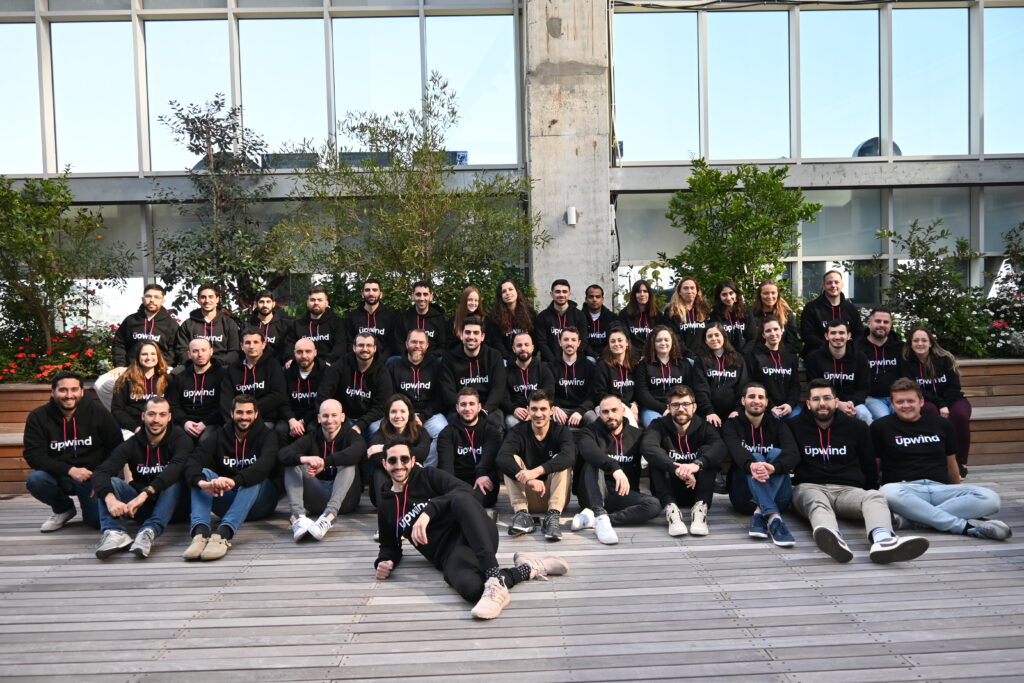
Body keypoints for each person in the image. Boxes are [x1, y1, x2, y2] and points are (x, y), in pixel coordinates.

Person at [374, 436, 569, 620]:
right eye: (392, 461)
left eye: (404, 459)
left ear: (412, 460)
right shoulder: (386, 504)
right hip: (449, 554)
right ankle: (529, 568)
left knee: (461, 499)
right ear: (384, 464)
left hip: (475, 531)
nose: (399, 465)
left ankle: (494, 577)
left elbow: (469, 493)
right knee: (472, 589)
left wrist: (429, 510)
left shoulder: (428, 475)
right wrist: (385, 561)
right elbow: (389, 545)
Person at [789, 380, 930, 564]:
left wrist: (869, 487)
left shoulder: (856, 427)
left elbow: (869, 464)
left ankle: (883, 541)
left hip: (848, 491)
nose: (822, 403)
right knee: (816, 502)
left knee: (874, 496)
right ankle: (831, 537)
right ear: (808, 404)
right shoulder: (794, 426)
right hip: (810, 487)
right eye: (816, 399)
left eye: (827, 398)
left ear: (836, 401)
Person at [874, 378, 1010, 541]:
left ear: (921, 401)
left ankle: (912, 521)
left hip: (940, 489)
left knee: (991, 498)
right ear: (892, 404)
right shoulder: (880, 427)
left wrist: (957, 491)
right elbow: (875, 466)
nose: (906, 405)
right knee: (887, 492)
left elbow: (951, 465)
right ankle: (964, 527)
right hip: (904, 489)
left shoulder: (941, 424)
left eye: (911, 400)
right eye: (900, 402)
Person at [183, 394, 280, 561]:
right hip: (229, 500)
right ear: (232, 413)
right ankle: (201, 533)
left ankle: (223, 534)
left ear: (256, 414)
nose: (244, 417)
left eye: (249, 412)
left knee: (254, 476)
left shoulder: (267, 435)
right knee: (204, 473)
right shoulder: (220, 435)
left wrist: (235, 481)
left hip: (261, 502)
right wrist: (201, 483)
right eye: (240, 412)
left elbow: (265, 465)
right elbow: (192, 461)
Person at [91, 397, 191, 559]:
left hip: (175, 508)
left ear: (169, 417)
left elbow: (176, 468)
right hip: (141, 508)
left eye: (162, 415)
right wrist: (110, 498)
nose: (156, 420)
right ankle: (115, 532)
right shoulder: (132, 443)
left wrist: (145, 493)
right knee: (112, 482)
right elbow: (101, 471)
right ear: (143, 416)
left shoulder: (181, 439)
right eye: (151, 414)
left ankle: (149, 531)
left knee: (174, 479)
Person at [23, 371, 122, 532]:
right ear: (53, 392)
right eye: (63, 390)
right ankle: (63, 509)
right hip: (58, 476)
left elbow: (117, 448)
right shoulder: (38, 416)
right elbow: (33, 455)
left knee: (97, 521)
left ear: (82, 391)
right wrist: (70, 470)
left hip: (92, 478)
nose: (69, 395)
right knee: (36, 480)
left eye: (74, 389)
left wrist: (103, 478)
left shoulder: (98, 412)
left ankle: (92, 506)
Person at [573, 395, 660, 544]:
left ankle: (599, 520)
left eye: (614, 410)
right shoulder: (589, 432)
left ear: (623, 411)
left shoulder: (637, 435)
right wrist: (615, 468)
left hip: (620, 493)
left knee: (654, 505)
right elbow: (588, 451)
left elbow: (654, 452)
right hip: (591, 491)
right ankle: (599, 513)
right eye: (605, 412)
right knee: (593, 462)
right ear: (600, 414)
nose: (610, 415)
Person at [641, 385, 725, 537]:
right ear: (669, 407)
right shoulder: (658, 425)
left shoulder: (704, 426)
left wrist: (696, 465)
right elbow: (648, 448)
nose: (681, 409)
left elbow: (719, 447)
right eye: (675, 405)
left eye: (686, 404)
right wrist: (676, 468)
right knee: (657, 456)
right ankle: (672, 512)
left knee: (708, 453)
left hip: (697, 490)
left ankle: (700, 511)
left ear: (694, 407)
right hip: (667, 491)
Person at [722, 383, 798, 547]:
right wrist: (752, 466)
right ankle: (773, 517)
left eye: (760, 397)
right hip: (743, 498)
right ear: (743, 401)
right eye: (751, 396)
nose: (756, 401)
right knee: (755, 456)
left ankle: (760, 513)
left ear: (766, 402)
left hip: (780, 498)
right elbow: (736, 451)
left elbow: (793, 453)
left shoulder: (778, 424)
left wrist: (774, 468)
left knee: (777, 454)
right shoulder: (732, 424)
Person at [278, 398, 365, 541]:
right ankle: (298, 518)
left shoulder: (352, 436)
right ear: (318, 418)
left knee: (349, 463)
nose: (329, 420)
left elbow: (358, 451)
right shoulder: (311, 438)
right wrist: (304, 459)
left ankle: (329, 517)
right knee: (293, 462)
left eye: (334, 415)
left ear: (342, 417)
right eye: (325, 416)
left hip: (346, 501)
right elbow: (282, 454)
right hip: (316, 499)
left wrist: (324, 463)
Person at [496, 390, 575, 540]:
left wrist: (536, 472)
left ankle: (552, 518)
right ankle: (522, 515)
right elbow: (501, 458)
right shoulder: (518, 431)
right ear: (528, 410)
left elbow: (570, 456)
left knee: (562, 459)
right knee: (511, 460)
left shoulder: (561, 431)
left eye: (543, 409)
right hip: (527, 497)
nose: (538, 414)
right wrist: (529, 479)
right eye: (534, 409)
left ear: (552, 411)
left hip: (554, 496)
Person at [901, 327, 973, 477]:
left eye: (924, 340)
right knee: (929, 412)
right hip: (926, 400)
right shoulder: (907, 363)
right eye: (916, 340)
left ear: (931, 343)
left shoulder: (945, 360)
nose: (920, 343)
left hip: (953, 398)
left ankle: (961, 463)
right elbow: (917, 389)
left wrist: (946, 404)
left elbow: (955, 387)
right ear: (910, 343)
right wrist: (941, 405)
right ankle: (937, 460)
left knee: (959, 415)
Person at [99, 282, 179, 409]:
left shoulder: (171, 324)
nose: (152, 300)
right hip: (131, 368)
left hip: (159, 369)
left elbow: (174, 349)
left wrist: (162, 365)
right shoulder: (131, 321)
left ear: (163, 300)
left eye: (157, 297)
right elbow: (119, 343)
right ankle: (118, 416)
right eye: (148, 296)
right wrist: (120, 365)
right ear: (143, 299)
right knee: (101, 384)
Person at [436, 387, 503, 509]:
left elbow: (487, 461)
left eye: (472, 404)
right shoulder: (446, 433)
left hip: (482, 479)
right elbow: (446, 467)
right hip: (456, 481)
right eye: (463, 404)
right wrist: (454, 487)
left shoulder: (491, 431)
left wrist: (481, 474)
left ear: (479, 407)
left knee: (474, 498)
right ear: (457, 408)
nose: (467, 408)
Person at [634, 325, 711, 428]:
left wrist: (677, 407)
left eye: (667, 340)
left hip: (680, 406)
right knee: (658, 427)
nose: (663, 343)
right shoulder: (643, 365)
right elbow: (642, 393)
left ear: (672, 342)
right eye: (658, 340)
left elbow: (689, 389)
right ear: (653, 343)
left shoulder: (683, 363)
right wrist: (663, 409)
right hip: (652, 408)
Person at [390, 328, 447, 465]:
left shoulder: (436, 366)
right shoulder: (394, 366)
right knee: (376, 428)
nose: (417, 346)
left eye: (421, 342)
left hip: (428, 414)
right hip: (401, 415)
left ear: (427, 345)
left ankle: (427, 471)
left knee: (442, 430)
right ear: (406, 344)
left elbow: (440, 398)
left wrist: (422, 416)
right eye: (414, 342)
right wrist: (407, 415)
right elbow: (391, 396)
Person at [318, 332, 393, 435]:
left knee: (375, 429)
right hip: (343, 418)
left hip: (369, 420)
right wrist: (337, 418)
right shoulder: (340, 366)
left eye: (369, 345)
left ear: (375, 348)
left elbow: (381, 406)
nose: (365, 349)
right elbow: (324, 394)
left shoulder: (382, 372)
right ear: (354, 348)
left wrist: (360, 425)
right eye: (361, 345)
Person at [366, 394, 432, 507]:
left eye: (402, 411)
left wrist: (384, 448)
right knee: (379, 470)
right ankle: (386, 508)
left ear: (409, 414)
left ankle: (413, 504)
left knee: (419, 468)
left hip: (410, 483)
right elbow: (375, 457)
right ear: (387, 415)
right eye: (393, 412)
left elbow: (422, 453)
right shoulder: (380, 433)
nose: (398, 416)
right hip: (386, 484)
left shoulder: (420, 432)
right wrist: (409, 460)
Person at [441, 316, 506, 430]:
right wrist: (465, 409)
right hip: (460, 409)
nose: (471, 336)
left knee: (496, 422)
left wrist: (484, 410)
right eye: (467, 332)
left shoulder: (494, 356)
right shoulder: (449, 357)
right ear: (461, 335)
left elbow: (498, 389)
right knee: (452, 422)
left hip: (486, 408)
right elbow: (447, 390)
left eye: (476, 333)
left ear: (482, 337)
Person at [805, 320, 873, 424]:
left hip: (852, 403)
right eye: (833, 333)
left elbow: (864, 388)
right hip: (824, 402)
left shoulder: (860, 358)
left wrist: (851, 403)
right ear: (826, 336)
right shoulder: (814, 358)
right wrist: (837, 403)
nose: (837, 337)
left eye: (841, 333)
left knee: (864, 415)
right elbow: (814, 387)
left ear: (849, 335)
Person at [220, 327, 288, 426]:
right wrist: (235, 418)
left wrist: (250, 411)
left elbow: (278, 395)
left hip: (265, 420)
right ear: (242, 346)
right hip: (237, 420)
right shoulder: (232, 369)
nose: (251, 346)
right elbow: (226, 399)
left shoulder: (273, 365)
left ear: (263, 345)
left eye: (256, 342)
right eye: (247, 343)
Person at [168, 337, 224, 444]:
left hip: (213, 422)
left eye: (204, 350)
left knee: (206, 441)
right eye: (195, 351)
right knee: (180, 441)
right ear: (189, 354)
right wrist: (185, 422)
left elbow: (224, 405)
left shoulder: (223, 376)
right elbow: (173, 405)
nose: (200, 355)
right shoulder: (179, 378)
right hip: (186, 423)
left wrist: (205, 423)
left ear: (211, 351)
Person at [693, 323, 749, 429]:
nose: (714, 338)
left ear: (723, 336)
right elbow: (700, 388)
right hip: (708, 414)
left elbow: (743, 387)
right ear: (705, 340)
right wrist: (709, 411)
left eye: (717, 335)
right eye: (709, 336)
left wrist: (737, 410)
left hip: (733, 413)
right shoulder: (701, 360)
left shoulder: (738, 358)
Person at [745, 315, 801, 419]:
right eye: (768, 331)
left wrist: (790, 404)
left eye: (776, 329)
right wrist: (770, 406)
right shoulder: (754, 356)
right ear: (763, 334)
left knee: (797, 421)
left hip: (788, 406)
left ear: (782, 331)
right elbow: (752, 384)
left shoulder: (790, 357)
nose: (773, 334)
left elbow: (795, 386)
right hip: (765, 407)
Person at [800, 270, 863, 359]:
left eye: (836, 282)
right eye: (829, 283)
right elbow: (807, 334)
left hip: (847, 355)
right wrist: (830, 348)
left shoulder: (851, 309)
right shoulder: (812, 308)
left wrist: (847, 349)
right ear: (824, 286)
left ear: (842, 285)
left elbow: (859, 334)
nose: (833, 286)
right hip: (818, 355)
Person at [111, 341, 169, 437]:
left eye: (153, 354)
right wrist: (135, 428)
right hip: (132, 428)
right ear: (138, 357)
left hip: (160, 426)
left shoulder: (167, 380)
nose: (149, 357)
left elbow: (172, 407)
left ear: (158, 357)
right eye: (144, 354)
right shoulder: (125, 379)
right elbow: (117, 410)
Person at [855, 307, 903, 421]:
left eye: (886, 322)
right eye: (878, 321)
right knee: (885, 419)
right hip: (871, 398)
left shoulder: (900, 347)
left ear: (891, 325)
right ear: (869, 323)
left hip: (897, 397)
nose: (882, 325)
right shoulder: (857, 348)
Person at [175, 284, 241, 367]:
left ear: (217, 299)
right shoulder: (187, 325)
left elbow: (234, 352)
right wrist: (196, 365)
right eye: (203, 297)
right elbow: (182, 350)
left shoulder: (229, 323)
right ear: (198, 300)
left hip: (222, 367)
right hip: (194, 367)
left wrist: (216, 364)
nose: (207, 300)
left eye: (210, 297)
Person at [501, 331, 555, 429]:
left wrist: (534, 410)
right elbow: (503, 396)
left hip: (539, 410)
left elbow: (549, 392)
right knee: (511, 421)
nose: (523, 348)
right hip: (517, 413)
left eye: (526, 345)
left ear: (532, 348)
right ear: (513, 349)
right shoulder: (505, 371)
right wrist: (513, 409)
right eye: (519, 345)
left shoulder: (543, 369)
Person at [588, 326, 639, 426]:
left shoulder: (634, 365)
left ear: (627, 343)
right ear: (609, 345)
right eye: (613, 341)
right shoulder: (602, 365)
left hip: (630, 406)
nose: (616, 344)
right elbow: (600, 394)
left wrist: (635, 404)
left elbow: (640, 389)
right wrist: (627, 405)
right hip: (607, 406)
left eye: (620, 340)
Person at [280, 337, 328, 442]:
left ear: (315, 352)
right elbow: (282, 401)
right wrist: (291, 420)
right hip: (292, 416)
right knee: (280, 429)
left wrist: (303, 421)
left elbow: (322, 401)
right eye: (299, 352)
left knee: (314, 429)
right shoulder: (285, 373)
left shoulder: (326, 372)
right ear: (294, 353)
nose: (304, 356)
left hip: (315, 416)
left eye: (308, 351)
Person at [285, 285, 347, 364]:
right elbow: (289, 345)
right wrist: (290, 358)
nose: (316, 303)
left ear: (326, 303)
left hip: (330, 367)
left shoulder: (337, 323)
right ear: (307, 302)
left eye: (320, 300)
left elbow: (340, 346)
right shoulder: (297, 325)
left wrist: (329, 361)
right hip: (303, 366)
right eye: (312, 300)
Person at [345, 278, 402, 361]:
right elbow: (349, 342)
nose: (371, 293)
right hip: (359, 359)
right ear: (362, 294)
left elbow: (392, 344)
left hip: (383, 361)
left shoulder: (390, 317)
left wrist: (381, 359)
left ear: (380, 294)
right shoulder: (353, 316)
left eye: (375, 290)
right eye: (367, 290)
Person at [549, 327, 594, 427]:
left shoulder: (589, 366)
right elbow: (548, 392)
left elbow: (592, 395)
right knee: (549, 421)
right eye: (566, 339)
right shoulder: (551, 366)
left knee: (593, 419)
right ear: (560, 342)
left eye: (573, 340)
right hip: (559, 409)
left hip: (582, 410)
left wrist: (580, 411)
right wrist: (554, 406)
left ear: (579, 343)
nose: (569, 343)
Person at [535, 279, 589, 363]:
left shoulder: (579, 315)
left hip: (574, 360)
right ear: (551, 294)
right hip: (550, 362)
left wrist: (572, 358)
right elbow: (541, 343)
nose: (561, 295)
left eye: (564, 292)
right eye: (557, 292)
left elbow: (583, 340)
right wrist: (554, 361)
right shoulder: (543, 317)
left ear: (569, 294)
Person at [487, 279, 539, 363]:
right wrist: (509, 358)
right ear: (500, 296)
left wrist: (528, 355)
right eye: (504, 291)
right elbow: (497, 342)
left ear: (517, 292)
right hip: (506, 361)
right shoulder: (495, 317)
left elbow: (535, 338)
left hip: (528, 358)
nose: (507, 293)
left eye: (510, 289)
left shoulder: (530, 313)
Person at [400, 280, 448, 356]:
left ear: (431, 297)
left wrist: (428, 357)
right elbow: (399, 344)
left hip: (432, 360)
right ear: (413, 296)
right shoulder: (405, 317)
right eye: (418, 294)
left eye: (425, 294)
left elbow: (443, 346)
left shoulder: (439, 319)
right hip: (409, 359)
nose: (422, 298)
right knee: (393, 360)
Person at [664, 275, 710, 354]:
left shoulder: (704, 310)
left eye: (692, 288)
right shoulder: (671, 311)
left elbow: (709, 334)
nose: (689, 291)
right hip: (682, 358)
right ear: (679, 292)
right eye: (685, 288)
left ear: (697, 291)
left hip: (704, 358)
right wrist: (688, 355)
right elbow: (674, 337)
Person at [751, 280, 799, 354]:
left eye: (773, 293)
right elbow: (751, 340)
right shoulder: (752, 315)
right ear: (760, 295)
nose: (770, 296)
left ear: (778, 294)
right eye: (766, 293)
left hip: (783, 356)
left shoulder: (787, 314)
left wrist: (781, 355)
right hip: (758, 356)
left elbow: (791, 340)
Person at [617, 279, 664, 351]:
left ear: (649, 294)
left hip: (653, 354)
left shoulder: (658, 315)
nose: (642, 294)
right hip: (631, 355)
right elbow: (623, 338)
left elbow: (661, 337)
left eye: (645, 291)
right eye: (638, 292)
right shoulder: (624, 314)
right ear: (634, 295)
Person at [710, 279, 755, 352]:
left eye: (731, 293)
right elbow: (717, 340)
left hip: (746, 356)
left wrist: (743, 354)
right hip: (726, 356)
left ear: (736, 294)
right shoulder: (714, 315)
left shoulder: (746, 312)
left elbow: (752, 338)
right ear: (719, 297)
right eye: (724, 294)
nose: (728, 297)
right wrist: (732, 355)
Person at [248, 290, 292, 362]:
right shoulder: (248, 325)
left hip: (277, 367)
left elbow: (286, 350)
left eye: (268, 302)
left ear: (273, 304)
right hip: (254, 366)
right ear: (256, 304)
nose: (265, 305)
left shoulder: (284, 326)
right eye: (261, 302)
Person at [581, 283, 619, 358]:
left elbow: (615, 339)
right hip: (585, 357)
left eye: (598, 297)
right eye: (591, 297)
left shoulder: (612, 318)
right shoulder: (579, 317)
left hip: (608, 356)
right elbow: (580, 341)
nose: (594, 299)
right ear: (586, 299)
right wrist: (594, 356)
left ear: (602, 299)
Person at [448, 286, 487, 351]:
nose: (473, 303)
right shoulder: (454, 320)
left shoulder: (484, 320)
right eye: (470, 300)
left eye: (476, 300)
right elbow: (449, 343)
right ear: (464, 301)